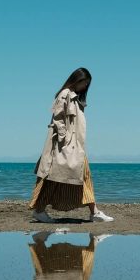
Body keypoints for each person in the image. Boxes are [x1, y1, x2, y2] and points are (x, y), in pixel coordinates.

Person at [30, 68, 113, 223]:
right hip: (63, 146)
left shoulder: (76, 99)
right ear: (76, 80)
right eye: (83, 83)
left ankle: (93, 211)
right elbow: (58, 118)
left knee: (84, 175)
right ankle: (39, 210)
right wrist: (64, 139)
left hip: (75, 147)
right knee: (51, 178)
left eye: (87, 84)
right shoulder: (65, 94)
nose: (84, 87)